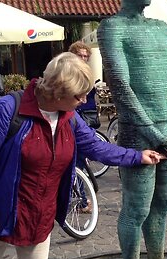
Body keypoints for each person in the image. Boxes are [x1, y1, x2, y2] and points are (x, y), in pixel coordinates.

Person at [0, 52, 164, 259]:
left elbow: (96, 147)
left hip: (39, 217)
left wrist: (137, 156)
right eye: (79, 96)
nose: (84, 101)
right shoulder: (6, 110)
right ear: (57, 92)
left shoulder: (70, 118)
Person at [98, 0, 167, 259]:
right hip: (137, 131)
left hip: (165, 126)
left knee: (164, 201)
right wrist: (151, 127)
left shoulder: (161, 27)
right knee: (137, 208)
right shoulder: (112, 27)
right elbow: (120, 83)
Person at [69, 40, 99, 213]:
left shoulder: (86, 72)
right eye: (79, 55)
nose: (83, 58)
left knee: (78, 160)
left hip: (85, 119)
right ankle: (80, 200)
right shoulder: (72, 73)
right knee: (77, 161)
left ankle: (79, 198)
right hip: (76, 119)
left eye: (86, 56)